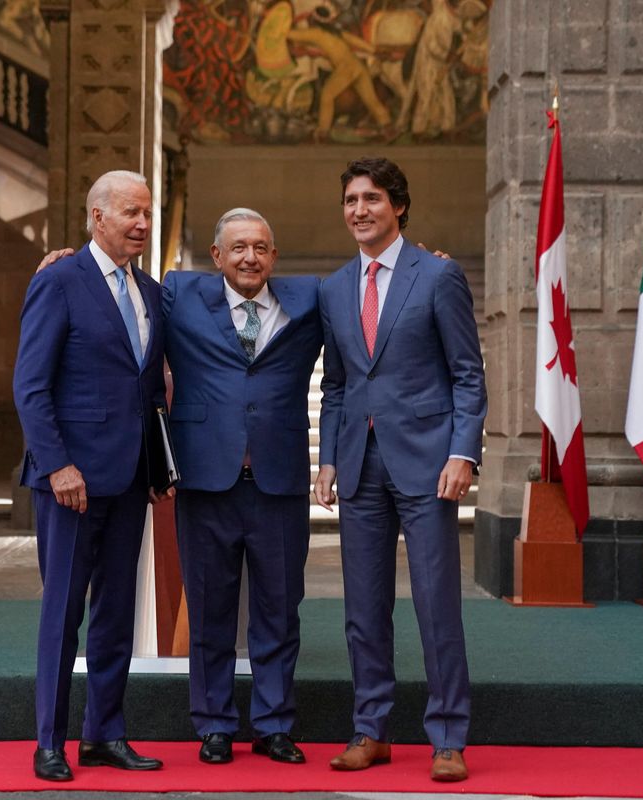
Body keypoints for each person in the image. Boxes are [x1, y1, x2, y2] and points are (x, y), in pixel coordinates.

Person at [313, 157, 486, 782]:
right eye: (352, 199)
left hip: (429, 465)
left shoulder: (437, 275)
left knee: (437, 604)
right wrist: (328, 457)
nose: (360, 210)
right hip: (359, 466)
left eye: (373, 199)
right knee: (364, 608)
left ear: (399, 207)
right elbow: (334, 383)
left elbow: (468, 373)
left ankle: (447, 737)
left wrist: (463, 453)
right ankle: (371, 729)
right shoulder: (333, 289)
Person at [13, 170, 168, 782]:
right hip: (69, 482)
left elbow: (149, 389)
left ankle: (105, 734)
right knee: (64, 612)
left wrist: (158, 467)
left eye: (148, 214)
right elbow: (30, 386)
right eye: (132, 212)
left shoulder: (151, 292)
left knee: (116, 613)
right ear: (96, 216)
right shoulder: (58, 280)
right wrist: (57, 465)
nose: (143, 224)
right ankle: (49, 741)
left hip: (130, 480)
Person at [163, 209, 322, 765]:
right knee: (210, 610)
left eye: (260, 247)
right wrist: (68, 261)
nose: (250, 257)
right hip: (207, 480)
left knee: (280, 609)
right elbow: (117, 289)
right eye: (238, 248)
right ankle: (213, 724)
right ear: (216, 256)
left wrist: (428, 266)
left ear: (274, 256)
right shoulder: (179, 295)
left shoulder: (310, 301)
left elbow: (366, 290)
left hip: (278, 483)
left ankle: (275, 724)